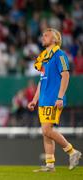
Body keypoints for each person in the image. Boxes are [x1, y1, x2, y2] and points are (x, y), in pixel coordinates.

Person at [28, 28, 81, 172]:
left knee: (47, 130)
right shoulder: (45, 57)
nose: (43, 37)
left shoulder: (60, 55)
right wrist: (34, 99)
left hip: (53, 98)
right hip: (44, 98)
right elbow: (41, 81)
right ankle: (50, 164)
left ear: (55, 39)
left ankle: (72, 151)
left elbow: (66, 75)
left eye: (46, 35)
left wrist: (60, 96)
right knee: (46, 132)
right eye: (43, 35)